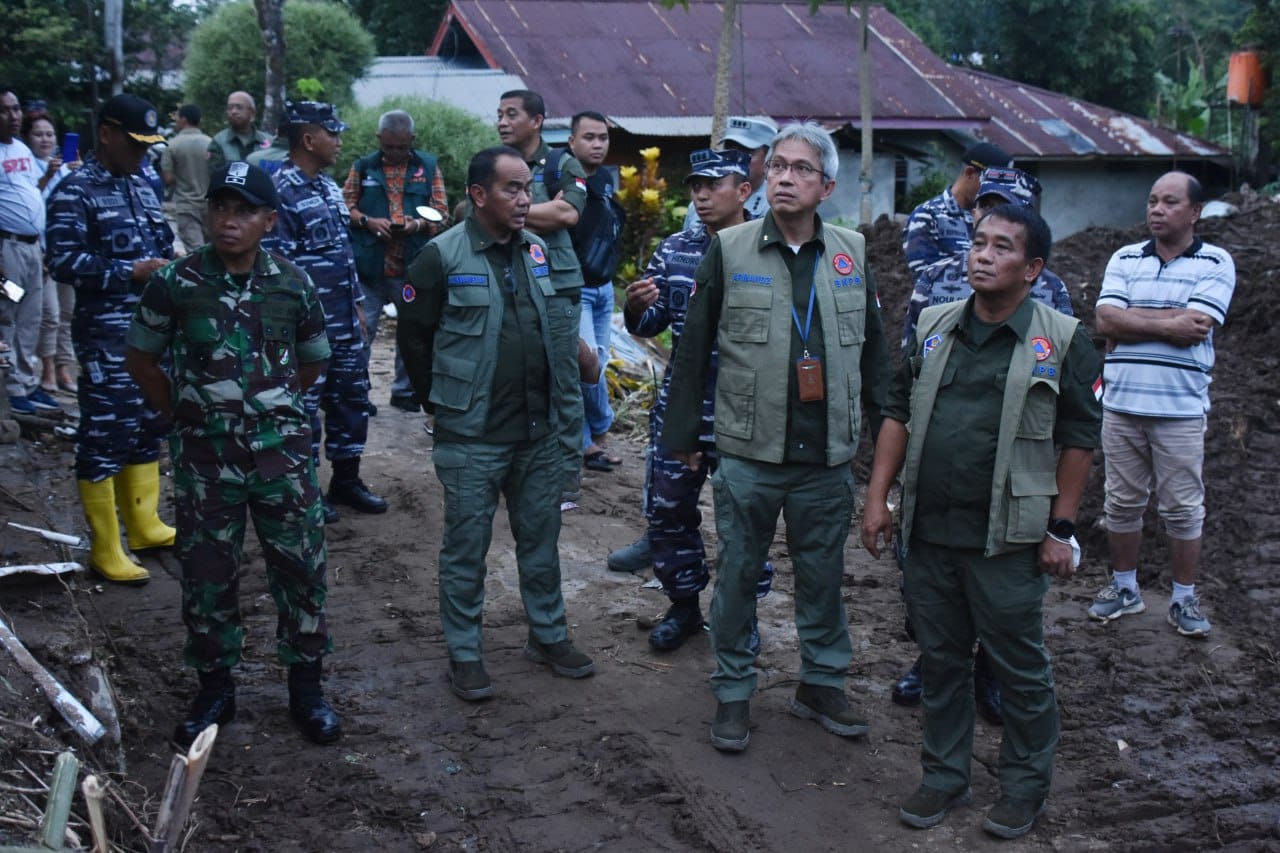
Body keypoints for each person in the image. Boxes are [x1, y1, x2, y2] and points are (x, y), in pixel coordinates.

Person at [862, 204, 1101, 839]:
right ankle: (944, 775)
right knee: (940, 661)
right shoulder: (936, 325)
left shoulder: (1063, 338)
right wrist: (877, 498)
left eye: (1002, 247)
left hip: (1010, 540)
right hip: (931, 532)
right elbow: (897, 411)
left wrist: (1062, 529)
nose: (983, 256)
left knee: (1019, 667)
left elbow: (1080, 437)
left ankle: (1024, 787)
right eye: (978, 243)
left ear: (1033, 268)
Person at [662, 122, 889, 752]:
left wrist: (885, 448)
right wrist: (682, 434)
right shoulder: (730, 249)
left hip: (825, 457)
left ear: (827, 187)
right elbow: (694, 350)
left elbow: (873, 358)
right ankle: (734, 690)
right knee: (737, 573)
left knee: (822, 575)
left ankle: (820, 682)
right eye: (779, 166)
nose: (785, 177)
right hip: (749, 451)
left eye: (801, 169)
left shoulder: (852, 252)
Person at [126, 163, 341, 747]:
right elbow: (142, 358)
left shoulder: (293, 284)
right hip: (204, 460)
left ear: (269, 220)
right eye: (221, 207)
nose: (229, 220)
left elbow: (314, 358)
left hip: (282, 459)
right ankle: (215, 689)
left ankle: (307, 688)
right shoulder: (175, 282)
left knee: (300, 572)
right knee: (207, 576)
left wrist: (271, 405)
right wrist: (182, 412)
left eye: (244, 210)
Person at [399, 146, 594, 700]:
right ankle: (465, 652)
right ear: (479, 195)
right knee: (466, 547)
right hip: (474, 434)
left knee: (542, 540)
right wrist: (436, 403)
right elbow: (414, 336)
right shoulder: (440, 257)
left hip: (537, 434)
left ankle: (548, 635)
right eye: (512, 189)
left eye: (529, 188)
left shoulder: (536, 252)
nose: (525, 199)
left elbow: (552, 325)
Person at [891, 166, 1075, 722]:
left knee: (1000, 584)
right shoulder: (937, 280)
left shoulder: (1052, 292)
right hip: (942, 450)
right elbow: (910, 369)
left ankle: (992, 673)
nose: (988, 221)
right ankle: (934, 659)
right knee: (926, 577)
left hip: (1009, 455)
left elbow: (1060, 383)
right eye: (984, 207)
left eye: (1008, 207)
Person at [609, 148, 775, 653]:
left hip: (743, 416)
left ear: (743, 191)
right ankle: (682, 607)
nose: (700, 195)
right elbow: (652, 325)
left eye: (712, 185)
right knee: (669, 512)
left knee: (744, 520)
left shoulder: (770, 251)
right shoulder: (675, 250)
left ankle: (740, 614)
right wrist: (636, 310)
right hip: (682, 413)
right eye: (695, 186)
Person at [1087, 172, 1234, 638]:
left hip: (1181, 410)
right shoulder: (1125, 258)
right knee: (1121, 502)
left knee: (1183, 508)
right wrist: (1170, 323)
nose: (1156, 209)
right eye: (1152, 200)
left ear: (1194, 212)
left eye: (1170, 202)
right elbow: (1105, 317)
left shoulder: (1216, 261)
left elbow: (1200, 323)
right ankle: (1125, 588)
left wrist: (1133, 321)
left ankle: (1183, 598)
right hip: (1123, 404)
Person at [46, 93, 177, 584]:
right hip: (107, 335)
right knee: (106, 432)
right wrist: (130, 271)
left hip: (152, 333)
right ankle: (106, 547)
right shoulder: (74, 191)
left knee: (148, 423)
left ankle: (144, 525)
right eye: (135, 142)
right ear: (107, 133)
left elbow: (162, 242)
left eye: (149, 144)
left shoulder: (143, 184)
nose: (144, 153)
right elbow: (62, 261)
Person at [264, 100, 387, 523]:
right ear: (308, 138)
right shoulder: (279, 191)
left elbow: (342, 254)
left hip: (343, 319)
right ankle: (305, 487)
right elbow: (276, 268)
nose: (338, 141)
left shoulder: (327, 186)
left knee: (351, 398)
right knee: (304, 406)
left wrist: (356, 305)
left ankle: (347, 479)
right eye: (332, 133)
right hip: (306, 325)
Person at [496, 89, 585, 502]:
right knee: (512, 378)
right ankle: (518, 470)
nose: (502, 121)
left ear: (536, 120)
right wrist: (530, 210)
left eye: (511, 114)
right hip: (505, 283)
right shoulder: (493, 165)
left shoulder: (560, 164)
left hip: (555, 286)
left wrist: (503, 208)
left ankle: (566, 478)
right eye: (499, 114)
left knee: (563, 383)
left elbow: (567, 213)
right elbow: (468, 210)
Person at [342, 109, 448, 413]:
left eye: (402, 147)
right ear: (379, 140)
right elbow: (344, 206)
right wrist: (368, 222)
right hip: (370, 266)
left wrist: (417, 225)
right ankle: (358, 394)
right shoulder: (363, 168)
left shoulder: (428, 167)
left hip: (412, 267)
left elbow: (440, 210)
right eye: (389, 147)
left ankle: (405, 391)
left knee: (412, 334)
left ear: (412, 141)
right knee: (363, 332)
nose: (396, 153)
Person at [566, 110, 621, 470]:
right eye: (589, 137)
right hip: (577, 290)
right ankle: (595, 433)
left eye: (602, 137)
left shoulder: (604, 180)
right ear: (572, 142)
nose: (598, 144)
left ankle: (591, 440)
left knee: (594, 366)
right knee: (587, 365)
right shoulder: (561, 180)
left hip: (604, 289)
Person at [1, 87, 60, 415]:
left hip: (31, 248)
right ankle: (9, 387)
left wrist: (48, 178)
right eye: (5, 111)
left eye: (15, 109)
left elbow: (29, 192)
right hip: (5, 247)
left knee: (31, 317)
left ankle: (26, 382)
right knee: (6, 315)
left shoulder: (21, 149)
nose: (13, 116)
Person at [22, 109, 77, 397]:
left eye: (49, 134)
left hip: (65, 249)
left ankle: (63, 367)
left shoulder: (64, 166)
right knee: (48, 314)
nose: (45, 139)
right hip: (39, 251)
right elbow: (34, 203)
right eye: (38, 134)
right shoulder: (26, 166)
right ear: (28, 138)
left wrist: (71, 173)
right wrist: (51, 175)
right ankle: (45, 370)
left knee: (67, 313)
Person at [901, 141, 1012, 281]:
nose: (994, 192)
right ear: (970, 173)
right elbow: (924, 278)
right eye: (990, 185)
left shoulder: (993, 217)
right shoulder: (928, 216)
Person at [682, 116, 777, 230]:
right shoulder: (699, 205)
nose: (737, 158)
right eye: (729, 150)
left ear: (768, 157)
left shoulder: (776, 203)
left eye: (746, 152)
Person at [162, 104, 213, 253]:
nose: (176, 121)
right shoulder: (211, 143)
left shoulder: (172, 145)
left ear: (184, 119)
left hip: (186, 207)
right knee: (214, 253)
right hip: (210, 207)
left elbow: (168, 178)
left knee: (196, 254)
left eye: (177, 118)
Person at [207, 90, 272, 175]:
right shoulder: (219, 141)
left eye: (239, 107)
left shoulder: (269, 141)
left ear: (252, 113)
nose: (234, 112)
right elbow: (215, 175)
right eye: (230, 108)